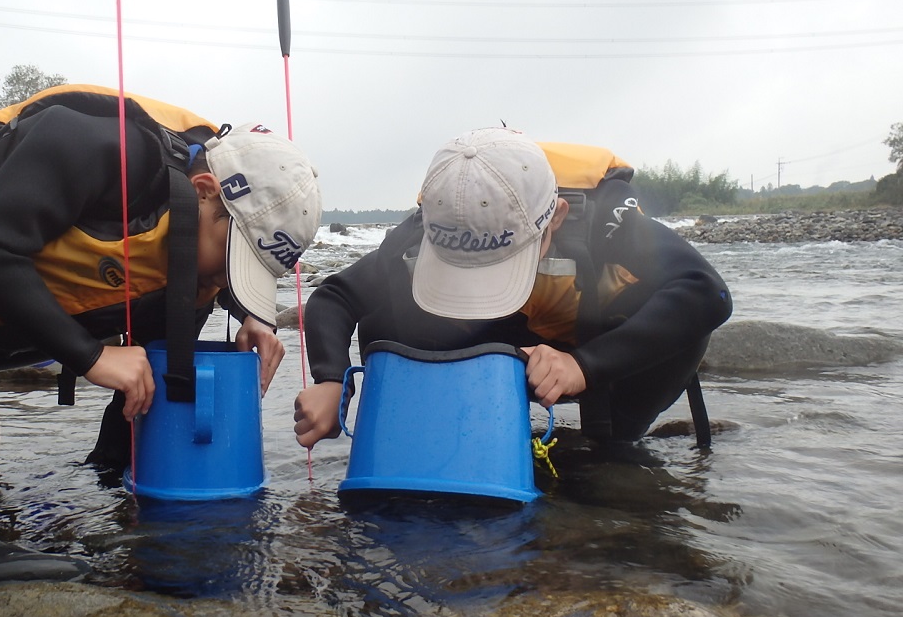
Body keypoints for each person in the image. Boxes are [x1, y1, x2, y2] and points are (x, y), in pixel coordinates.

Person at [0, 85, 322, 603]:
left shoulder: (197, 233)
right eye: (233, 259)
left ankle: (113, 474)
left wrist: (250, 312)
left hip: (19, 327)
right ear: (204, 189)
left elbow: (182, 313)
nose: (225, 276)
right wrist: (90, 356)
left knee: (183, 307)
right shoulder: (95, 143)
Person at [294, 126, 731, 450]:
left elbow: (706, 292)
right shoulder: (432, 222)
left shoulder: (603, 216)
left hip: (592, 336)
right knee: (386, 310)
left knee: (676, 340)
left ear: (555, 219)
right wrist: (331, 380)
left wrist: (584, 366)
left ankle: (610, 449)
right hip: (494, 339)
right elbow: (336, 296)